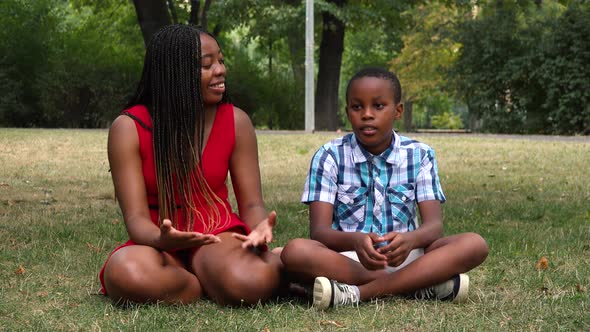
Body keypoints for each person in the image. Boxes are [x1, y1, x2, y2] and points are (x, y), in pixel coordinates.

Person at [99, 24, 283, 306]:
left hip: (216, 232)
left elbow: (251, 203)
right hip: (157, 239)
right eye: (206, 65)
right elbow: (136, 218)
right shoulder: (129, 128)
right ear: (174, 74)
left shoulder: (236, 121)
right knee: (125, 274)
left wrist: (258, 227)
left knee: (248, 284)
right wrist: (163, 240)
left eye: (221, 61)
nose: (220, 70)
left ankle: (241, 267)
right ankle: (200, 282)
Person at [280, 67, 489, 309]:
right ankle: (416, 285)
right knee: (294, 251)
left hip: (407, 257)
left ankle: (356, 294)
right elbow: (319, 233)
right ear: (347, 111)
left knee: (474, 244)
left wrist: (410, 240)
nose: (367, 115)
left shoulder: (420, 155)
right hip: (348, 261)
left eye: (378, 106)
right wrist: (356, 241)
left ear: (398, 110)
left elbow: (434, 227)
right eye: (357, 107)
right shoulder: (329, 156)